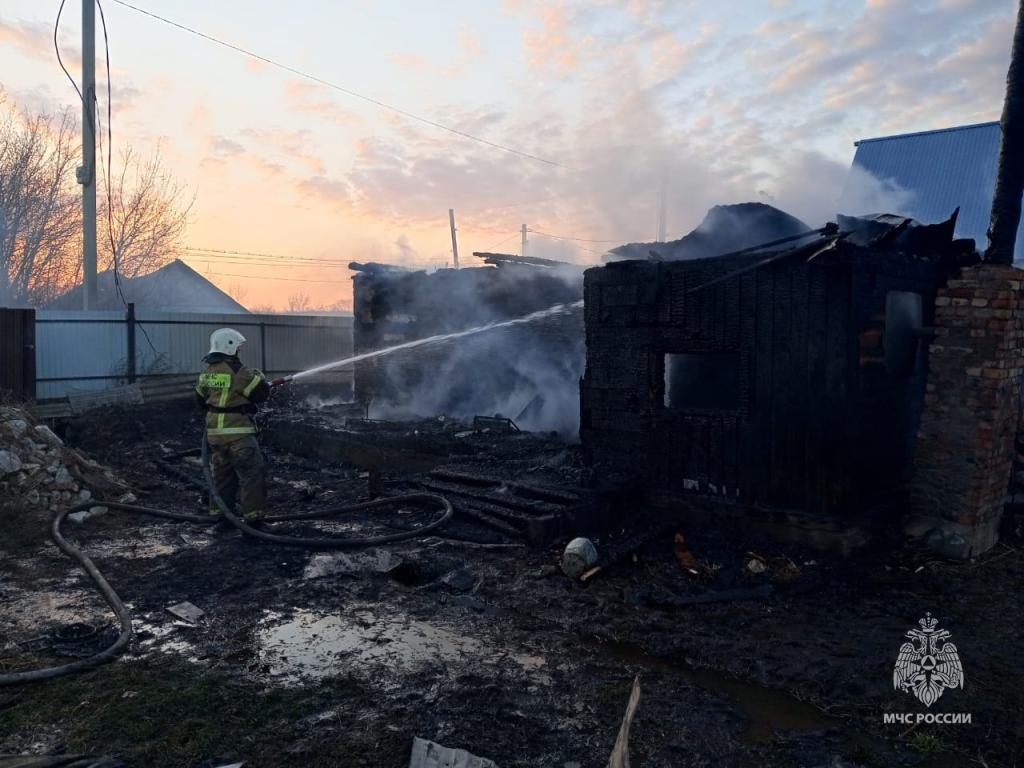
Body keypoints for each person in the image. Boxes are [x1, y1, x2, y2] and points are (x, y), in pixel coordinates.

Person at [194, 328, 271, 524]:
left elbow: (200, 399)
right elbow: (261, 394)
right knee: (252, 473)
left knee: (222, 477)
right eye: (238, 348)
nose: (239, 352)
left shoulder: (207, 372)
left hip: (215, 436)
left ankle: (221, 516)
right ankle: (254, 519)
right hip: (238, 435)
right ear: (230, 347)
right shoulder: (239, 372)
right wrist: (260, 379)